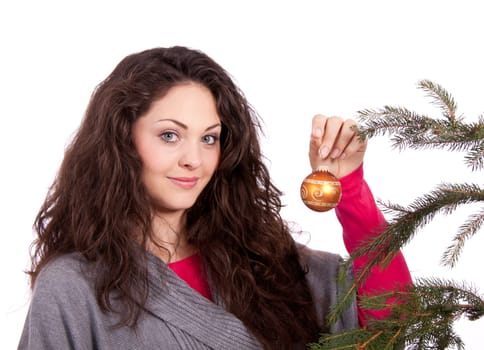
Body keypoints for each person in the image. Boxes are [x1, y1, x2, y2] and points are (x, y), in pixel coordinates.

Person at [18, 46, 412, 350]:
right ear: (123, 139)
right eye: (169, 135)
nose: (193, 160)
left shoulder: (263, 258)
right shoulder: (73, 287)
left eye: (209, 138)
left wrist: (350, 188)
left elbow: (393, 317)